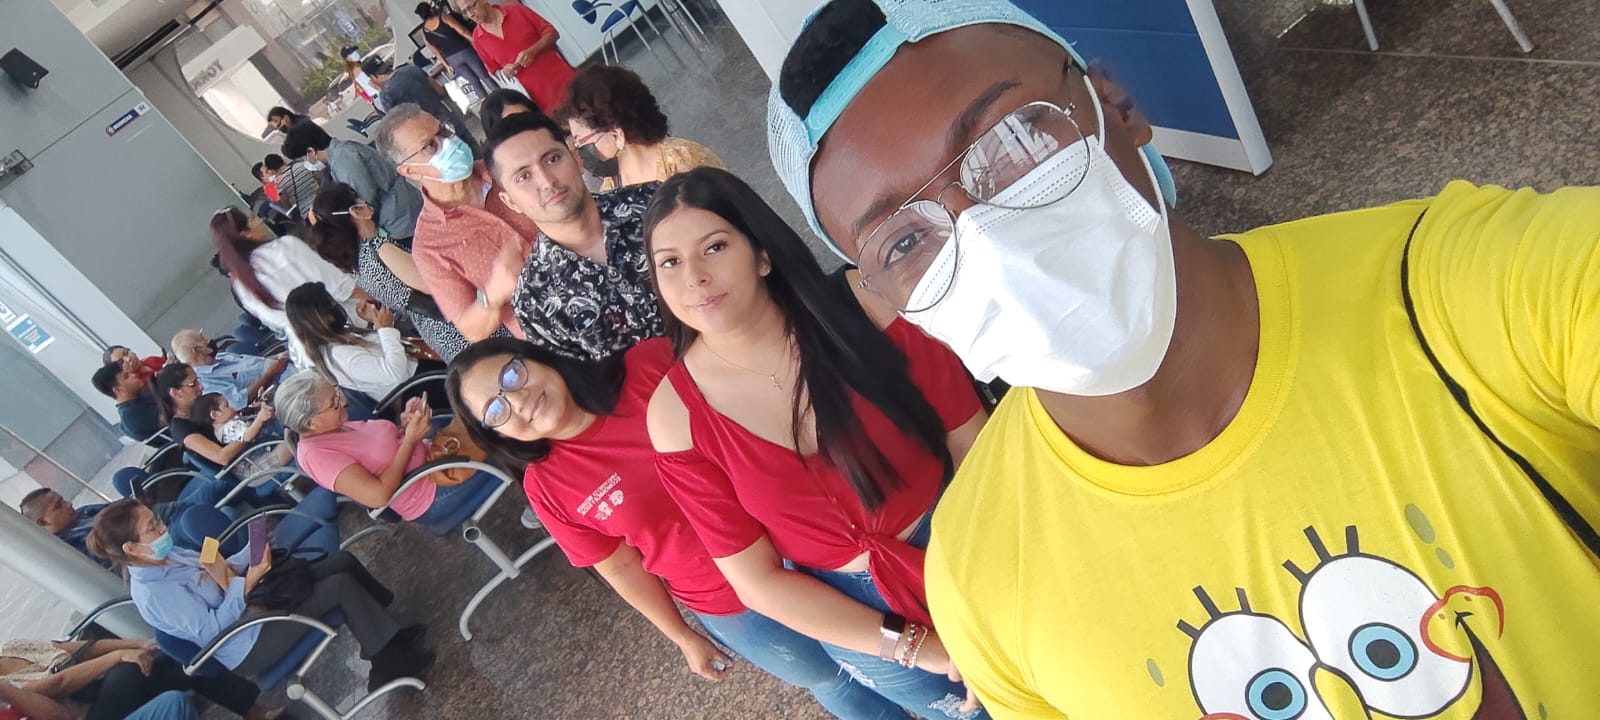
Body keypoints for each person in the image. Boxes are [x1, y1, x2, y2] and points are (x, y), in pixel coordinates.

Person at [775, 1, 1600, 717]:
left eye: (1015, 139)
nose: (989, 238)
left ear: (1117, 106)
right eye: (906, 241)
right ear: (886, 296)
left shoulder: (1484, 292)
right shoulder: (983, 573)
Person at [643, 168, 988, 718]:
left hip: (969, 535)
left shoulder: (859, 304)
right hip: (859, 614)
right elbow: (757, 580)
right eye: (670, 262)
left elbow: (971, 437)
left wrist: (977, 580)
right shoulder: (674, 416)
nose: (695, 277)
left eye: (714, 247)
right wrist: (920, 646)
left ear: (762, 254)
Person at [447, 336, 903, 718]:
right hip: (732, 603)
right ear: (495, 435)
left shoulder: (646, 366)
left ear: (535, 357)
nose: (518, 400)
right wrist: (681, 637)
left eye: (511, 376)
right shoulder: (547, 488)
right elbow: (620, 567)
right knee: (830, 679)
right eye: (496, 410)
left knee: (890, 648)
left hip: (807, 545)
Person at [86, 499, 433, 691]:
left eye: (157, 521)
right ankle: (387, 665)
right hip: (247, 643)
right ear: (132, 548)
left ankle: (389, 632)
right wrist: (247, 583)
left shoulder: (166, 554)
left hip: (253, 608)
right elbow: (212, 632)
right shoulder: (154, 594)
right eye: (153, 528)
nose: (163, 529)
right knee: (339, 587)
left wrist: (253, 551)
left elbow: (219, 568)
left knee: (341, 562)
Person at [484, 112, 664, 360]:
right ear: (510, 201)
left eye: (552, 159)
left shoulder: (652, 203)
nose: (547, 181)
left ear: (576, 158)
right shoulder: (535, 303)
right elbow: (583, 381)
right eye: (523, 176)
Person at [371, 104, 539, 341]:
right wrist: (493, 295)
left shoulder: (506, 169)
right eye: (430, 145)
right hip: (552, 338)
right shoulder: (430, 246)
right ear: (409, 170)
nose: (448, 144)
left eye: (443, 131)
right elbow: (472, 330)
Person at [274, 372, 499, 525]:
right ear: (311, 423)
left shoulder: (332, 425)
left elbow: (378, 455)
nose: (343, 402)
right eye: (334, 404)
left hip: (435, 459)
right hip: (430, 493)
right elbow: (378, 496)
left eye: (337, 394)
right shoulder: (317, 456)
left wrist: (405, 425)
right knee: (503, 435)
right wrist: (409, 440)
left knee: (485, 409)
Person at [309, 183, 469, 361]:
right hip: (458, 327)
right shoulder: (378, 250)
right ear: (356, 211)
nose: (364, 200)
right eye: (357, 198)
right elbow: (430, 291)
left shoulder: (360, 260)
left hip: (442, 330)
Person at [0, 635, 283, 720]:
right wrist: (116, 656)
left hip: (105, 687)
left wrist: (137, 644)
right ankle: (253, 710)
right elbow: (58, 684)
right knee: (130, 669)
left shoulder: (15, 646)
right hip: (87, 712)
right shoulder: (6, 690)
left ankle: (252, 709)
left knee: (175, 659)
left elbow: (86, 647)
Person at [211, 205, 365, 348]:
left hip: (311, 349)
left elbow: (279, 324)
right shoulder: (284, 248)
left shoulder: (241, 286)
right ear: (245, 234)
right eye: (252, 219)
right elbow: (341, 287)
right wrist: (375, 301)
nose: (259, 221)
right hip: (351, 326)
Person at [557, 65, 724, 191]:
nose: (580, 151)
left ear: (617, 135)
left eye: (581, 142)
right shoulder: (610, 187)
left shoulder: (682, 161)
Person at [282, 123, 423, 242]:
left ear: (311, 151)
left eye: (303, 159)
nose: (306, 163)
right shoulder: (341, 153)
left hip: (401, 218)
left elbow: (365, 199)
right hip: (402, 212)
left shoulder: (343, 159)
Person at [284, 282, 418, 402]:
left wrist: (374, 322)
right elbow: (395, 375)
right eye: (329, 303)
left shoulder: (335, 339)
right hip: (412, 386)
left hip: (411, 369)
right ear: (320, 316)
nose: (335, 305)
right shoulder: (341, 355)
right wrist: (386, 329)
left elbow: (376, 351)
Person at [153, 363, 278, 469]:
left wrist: (254, 409)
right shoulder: (181, 429)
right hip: (250, 462)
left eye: (198, 380)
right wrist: (251, 430)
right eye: (193, 384)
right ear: (176, 393)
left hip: (258, 445)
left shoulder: (199, 405)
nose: (201, 386)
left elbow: (230, 418)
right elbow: (222, 457)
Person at [460, 0, 574, 112]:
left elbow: (552, 33)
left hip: (564, 81)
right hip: (538, 101)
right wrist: (506, 72)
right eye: (465, 12)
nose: (470, 14)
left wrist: (533, 51)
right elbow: (495, 71)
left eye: (471, 7)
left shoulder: (516, 10)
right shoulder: (478, 39)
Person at [360, 57, 478, 156]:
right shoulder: (411, 69)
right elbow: (440, 91)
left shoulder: (386, 94)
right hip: (449, 120)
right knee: (477, 154)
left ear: (373, 77)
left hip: (431, 137)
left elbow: (399, 126)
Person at [171, 329, 288, 410]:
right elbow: (238, 402)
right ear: (196, 351)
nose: (208, 339)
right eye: (202, 337)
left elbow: (258, 362)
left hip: (280, 366)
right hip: (280, 385)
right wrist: (270, 374)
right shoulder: (207, 382)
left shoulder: (220, 356)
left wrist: (278, 357)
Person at [415, 3, 492, 101]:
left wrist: (447, 66)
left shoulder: (424, 32)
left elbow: (436, 52)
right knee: (484, 75)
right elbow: (462, 31)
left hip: (452, 60)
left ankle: (486, 102)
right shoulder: (444, 18)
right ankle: (502, 97)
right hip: (465, 51)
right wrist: (476, 41)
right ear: (431, 10)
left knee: (473, 82)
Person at [19, 488, 107, 564]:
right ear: (43, 522)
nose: (69, 504)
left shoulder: (81, 512)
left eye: (63, 500)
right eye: (58, 506)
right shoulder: (70, 548)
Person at [91, 362, 163, 441]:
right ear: (117, 390)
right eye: (127, 377)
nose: (134, 375)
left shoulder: (139, 396)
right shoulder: (131, 415)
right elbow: (169, 418)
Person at [263, 153, 321, 217]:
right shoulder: (302, 165)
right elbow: (319, 178)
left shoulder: (280, 183)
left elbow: (287, 205)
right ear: (282, 160)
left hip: (308, 213)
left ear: (272, 170)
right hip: (323, 200)